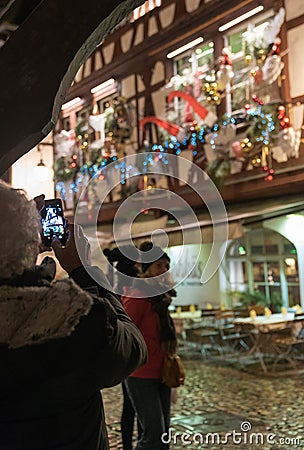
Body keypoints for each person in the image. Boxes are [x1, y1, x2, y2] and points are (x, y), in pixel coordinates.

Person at [0, 181, 147, 450]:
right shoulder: (70, 318)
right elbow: (132, 347)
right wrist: (82, 269)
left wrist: (15, 228)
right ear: (33, 242)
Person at [121, 241, 178, 450]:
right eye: (158, 266)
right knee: (153, 436)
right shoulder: (139, 296)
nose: (163, 270)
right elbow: (126, 330)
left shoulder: (162, 298)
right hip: (141, 374)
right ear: (146, 270)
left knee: (162, 437)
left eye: (166, 266)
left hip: (161, 371)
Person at [103, 245, 143, 450]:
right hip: (137, 354)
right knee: (134, 405)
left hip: (127, 352)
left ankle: (129, 444)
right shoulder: (133, 286)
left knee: (130, 405)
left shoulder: (115, 282)